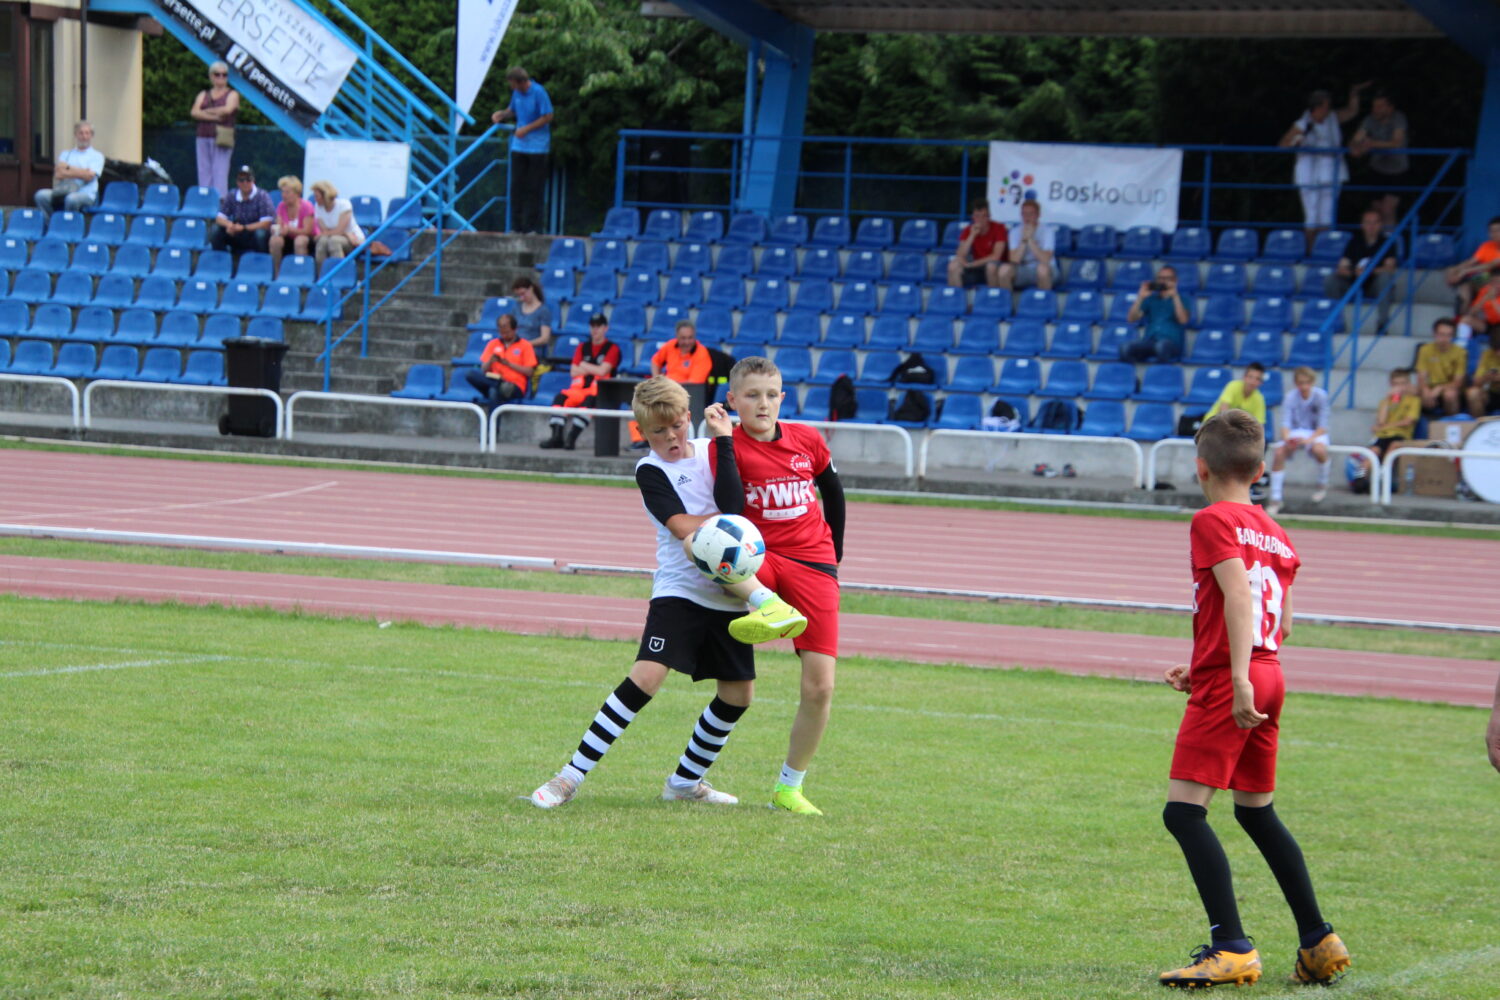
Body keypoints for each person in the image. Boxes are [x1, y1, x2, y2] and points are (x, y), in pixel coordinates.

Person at [528, 380, 805, 809]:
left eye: (676, 426)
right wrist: (725, 524)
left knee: (738, 695)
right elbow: (680, 526)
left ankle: (684, 782)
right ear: (642, 432)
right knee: (646, 678)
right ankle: (568, 777)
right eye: (658, 432)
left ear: (688, 418)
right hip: (681, 592)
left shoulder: (711, 450)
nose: (671, 438)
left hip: (727, 598)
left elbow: (734, 505)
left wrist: (725, 442)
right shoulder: (650, 470)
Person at [1157, 409, 1349, 989]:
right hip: (1269, 671)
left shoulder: (1212, 519)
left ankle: (1231, 947)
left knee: (1183, 813)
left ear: (1200, 468)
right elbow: (1281, 621)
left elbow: (1239, 594)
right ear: (1261, 470)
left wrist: (1233, 676)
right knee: (1256, 813)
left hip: (1239, 677)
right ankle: (1318, 940)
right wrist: (1213, 666)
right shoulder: (1276, 532)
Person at [715, 356, 847, 816]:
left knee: (820, 687)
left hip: (814, 563)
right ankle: (767, 605)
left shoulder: (807, 439)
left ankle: (788, 789)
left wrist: (835, 554)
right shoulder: (724, 445)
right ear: (733, 400)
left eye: (771, 395)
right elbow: (730, 507)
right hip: (763, 561)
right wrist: (725, 440)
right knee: (711, 546)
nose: (763, 404)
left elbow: (833, 492)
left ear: (783, 398)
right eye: (751, 395)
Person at [1279, 83, 1370, 253]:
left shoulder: (1332, 118)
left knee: (1327, 216)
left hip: (1331, 172)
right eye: (1326, 106)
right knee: (1312, 216)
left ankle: (1323, 252)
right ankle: (1310, 252)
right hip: (1309, 174)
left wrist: (1354, 95)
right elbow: (1283, 145)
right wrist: (1295, 142)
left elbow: (1352, 112)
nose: (1329, 109)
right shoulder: (1302, 124)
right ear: (1318, 107)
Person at [540, 314, 621, 450]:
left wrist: (583, 364)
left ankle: (571, 438)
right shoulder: (582, 347)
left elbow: (603, 372)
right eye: (592, 326)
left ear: (605, 328)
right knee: (560, 398)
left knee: (589, 402)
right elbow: (573, 371)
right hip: (577, 390)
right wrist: (595, 368)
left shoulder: (612, 348)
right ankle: (556, 437)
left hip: (597, 391)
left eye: (598, 326)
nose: (595, 329)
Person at [630, 320, 713, 450]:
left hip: (684, 395)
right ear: (677, 337)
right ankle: (640, 441)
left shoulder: (702, 354)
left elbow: (694, 383)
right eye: (683, 338)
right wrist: (657, 380)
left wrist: (667, 387)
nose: (687, 342)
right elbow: (655, 361)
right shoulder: (670, 346)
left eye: (690, 338)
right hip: (665, 390)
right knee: (640, 404)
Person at [491, 67, 553, 234]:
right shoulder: (517, 93)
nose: (512, 88)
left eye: (513, 84)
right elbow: (512, 110)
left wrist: (526, 129)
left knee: (534, 187)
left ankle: (533, 227)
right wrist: (502, 114)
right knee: (516, 186)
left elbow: (548, 116)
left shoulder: (539, 92)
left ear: (521, 82)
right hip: (519, 145)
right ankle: (516, 226)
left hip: (538, 147)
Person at [1266, 368, 1332, 516]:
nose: (1304, 386)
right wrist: (1287, 439)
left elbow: (1323, 426)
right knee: (1279, 453)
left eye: (1307, 383)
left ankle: (1322, 484)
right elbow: (1285, 424)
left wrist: (1308, 440)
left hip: (1315, 433)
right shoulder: (1290, 397)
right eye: (1301, 383)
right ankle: (1276, 498)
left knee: (1319, 450)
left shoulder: (1321, 396)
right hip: (1296, 432)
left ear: (1312, 382)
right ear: (1296, 383)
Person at [1323, 207, 1399, 330]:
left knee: (1385, 278)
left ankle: (1382, 323)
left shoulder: (1388, 242)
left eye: (1375, 222)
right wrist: (1354, 272)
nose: (1371, 226)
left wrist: (1369, 272)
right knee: (1331, 279)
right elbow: (1341, 267)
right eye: (1368, 222)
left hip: (1374, 285)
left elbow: (1390, 268)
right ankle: (1337, 321)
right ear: (1362, 225)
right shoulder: (1354, 242)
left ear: (1380, 224)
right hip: (1354, 283)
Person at [1348, 90, 1409, 228]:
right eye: (1374, 106)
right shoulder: (1369, 119)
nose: (1375, 109)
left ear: (1390, 107)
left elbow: (1397, 142)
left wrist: (1372, 144)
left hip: (1397, 171)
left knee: (1388, 209)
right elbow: (1357, 139)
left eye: (1380, 106)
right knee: (1376, 210)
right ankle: (1378, 239)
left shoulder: (1398, 118)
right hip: (1377, 169)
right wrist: (1355, 148)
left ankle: (1390, 239)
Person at [34, 120, 106, 216]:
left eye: (87, 133)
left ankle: (69, 223)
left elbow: (89, 177)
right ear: (75, 135)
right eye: (81, 133)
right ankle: (51, 222)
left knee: (71, 199)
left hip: (85, 194)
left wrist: (68, 168)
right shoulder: (66, 154)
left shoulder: (97, 156)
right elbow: (58, 174)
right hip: (63, 191)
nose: (84, 136)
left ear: (91, 136)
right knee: (41, 195)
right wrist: (84, 172)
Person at [465, 313, 536, 409]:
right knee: (470, 374)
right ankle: (498, 384)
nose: (504, 335)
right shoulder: (493, 344)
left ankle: (491, 419)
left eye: (507, 332)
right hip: (494, 380)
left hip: (514, 386)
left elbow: (530, 372)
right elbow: (484, 369)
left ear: (515, 329)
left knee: (494, 391)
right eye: (502, 333)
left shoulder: (525, 345)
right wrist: (490, 361)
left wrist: (509, 364)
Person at [1121, 265, 1190, 363]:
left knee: (1161, 347)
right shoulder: (1150, 299)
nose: (1163, 281)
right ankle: (1135, 371)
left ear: (1175, 280)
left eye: (1167, 278)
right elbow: (1131, 319)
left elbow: (1183, 320)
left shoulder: (1183, 300)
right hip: (1150, 341)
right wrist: (1140, 297)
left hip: (1171, 343)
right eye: (1160, 278)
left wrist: (1175, 296)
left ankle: (1159, 372)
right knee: (1125, 348)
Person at [190, 62, 239, 196]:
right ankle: (205, 199)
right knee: (203, 171)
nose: (221, 77)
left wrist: (205, 112)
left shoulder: (232, 94)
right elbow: (194, 112)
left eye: (224, 75)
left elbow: (227, 110)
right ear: (211, 76)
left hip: (222, 137)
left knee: (220, 172)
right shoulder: (203, 94)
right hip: (203, 136)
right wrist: (215, 116)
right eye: (218, 74)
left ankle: (219, 201)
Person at [210, 165, 275, 256]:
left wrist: (244, 228)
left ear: (253, 181)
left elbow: (266, 223)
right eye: (241, 180)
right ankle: (222, 260)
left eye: (248, 179)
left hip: (253, 234)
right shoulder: (232, 194)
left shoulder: (262, 195)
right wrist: (230, 225)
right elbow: (219, 218)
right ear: (237, 182)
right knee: (215, 230)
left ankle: (260, 261)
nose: (245, 183)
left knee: (260, 234)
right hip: (236, 233)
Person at [946, 199, 1007, 288]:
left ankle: (993, 295)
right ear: (973, 217)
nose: (981, 220)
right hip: (975, 267)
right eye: (977, 216)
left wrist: (972, 264)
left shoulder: (999, 228)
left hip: (993, 266)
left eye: (984, 216)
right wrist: (972, 235)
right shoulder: (968, 230)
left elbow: (996, 256)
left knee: (991, 267)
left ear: (989, 216)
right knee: (953, 266)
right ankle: (957, 295)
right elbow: (960, 254)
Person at [1444, 217, 1500, 313]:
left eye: (1497, 230)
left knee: (1490, 283)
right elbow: (1471, 261)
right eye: (1491, 231)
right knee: (1465, 287)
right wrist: (1454, 269)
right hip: (1487, 277)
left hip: (1496, 280)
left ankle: (1472, 314)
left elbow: (1491, 265)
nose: (1494, 234)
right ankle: (1461, 317)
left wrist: (1465, 271)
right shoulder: (1486, 245)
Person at [997, 198, 1055, 291]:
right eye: (1024, 214)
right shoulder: (1014, 232)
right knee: (1004, 270)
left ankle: (1043, 299)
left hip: (1047, 269)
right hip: (1024, 268)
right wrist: (1024, 240)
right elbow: (1014, 260)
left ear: (1038, 215)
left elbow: (1045, 260)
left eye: (1031, 214)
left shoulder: (1047, 231)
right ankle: (1007, 300)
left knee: (1042, 269)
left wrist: (1030, 240)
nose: (1027, 217)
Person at [1414, 317, 1467, 416]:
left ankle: (1451, 421)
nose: (1445, 339)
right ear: (1434, 334)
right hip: (1430, 387)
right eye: (1442, 334)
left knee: (1450, 394)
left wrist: (1440, 388)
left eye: (1449, 335)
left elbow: (1458, 382)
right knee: (1405, 390)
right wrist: (1425, 390)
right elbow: (1421, 377)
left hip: (1449, 388)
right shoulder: (1424, 350)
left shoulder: (1460, 352)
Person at [309, 180, 365, 270]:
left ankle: (340, 274)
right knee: (322, 242)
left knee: (334, 241)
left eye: (317, 196)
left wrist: (324, 234)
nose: (315, 199)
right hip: (333, 236)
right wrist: (324, 234)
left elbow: (339, 230)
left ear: (325, 195)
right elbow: (324, 231)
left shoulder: (344, 205)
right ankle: (322, 274)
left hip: (352, 238)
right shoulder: (318, 207)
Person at [269, 176, 318, 276]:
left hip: (308, 238)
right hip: (289, 238)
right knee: (275, 240)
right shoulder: (281, 206)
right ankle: (277, 273)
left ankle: (301, 273)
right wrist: (277, 230)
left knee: (299, 241)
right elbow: (279, 225)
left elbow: (307, 231)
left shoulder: (306, 206)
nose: (284, 195)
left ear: (297, 193)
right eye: (282, 192)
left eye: (287, 192)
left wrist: (289, 230)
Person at [511, 276, 555, 358]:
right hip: (515, 350)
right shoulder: (516, 308)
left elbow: (545, 338)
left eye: (523, 293)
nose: (521, 298)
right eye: (519, 295)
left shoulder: (543, 311)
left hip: (532, 352)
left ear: (531, 289)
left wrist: (525, 345)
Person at [1458, 270, 1500, 350]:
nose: (1496, 285)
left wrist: (1493, 300)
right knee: (1466, 320)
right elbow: (1471, 313)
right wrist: (1484, 298)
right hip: (1488, 324)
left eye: (1498, 282)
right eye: (1493, 282)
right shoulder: (1485, 290)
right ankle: (1461, 346)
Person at [1465, 329, 1500, 418]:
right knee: (1473, 393)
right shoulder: (1487, 354)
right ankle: (1479, 423)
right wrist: (1486, 377)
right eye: (1496, 349)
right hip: (1492, 394)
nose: (1498, 353)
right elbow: (1476, 382)